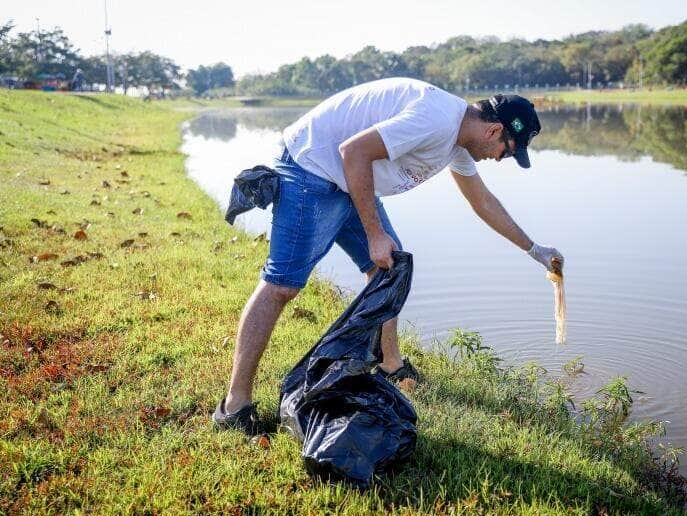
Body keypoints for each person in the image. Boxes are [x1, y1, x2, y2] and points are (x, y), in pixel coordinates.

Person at [213, 77, 564, 433]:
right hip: (312, 169)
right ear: (494, 131)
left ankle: (390, 364)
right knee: (282, 287)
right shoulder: (437, 119)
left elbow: (482, 201)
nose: (501, 159)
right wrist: (373, 234)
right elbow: (354, 151)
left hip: (348, 176)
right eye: (509, 150)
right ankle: (234, 408)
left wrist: (534, 250)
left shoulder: (458, 139)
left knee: (388, 269)